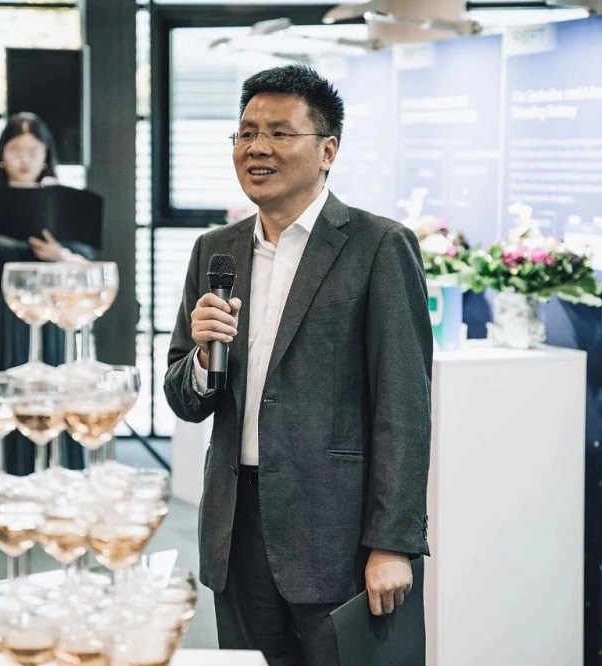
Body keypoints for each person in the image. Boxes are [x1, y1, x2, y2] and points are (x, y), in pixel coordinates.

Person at [164, 65, 433, 665]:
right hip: (235, 528)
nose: (256, 147)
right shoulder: (215, 250)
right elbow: (184, 397)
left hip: (335, 533)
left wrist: (392, 542)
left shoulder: (378, 246)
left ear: (327, 151)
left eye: (280, 133)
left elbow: (404, 408)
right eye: (246, 133)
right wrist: (204, 357)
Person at [0, 112, 89, 474]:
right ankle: (5, 476)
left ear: (46, 155)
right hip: (2, 313)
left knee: (50, 393)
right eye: (16, 151)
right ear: (2, 156)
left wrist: (59, 254)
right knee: (7, 396)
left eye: (33, 152)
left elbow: (89, 267)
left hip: (53, 314)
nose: (24, 160)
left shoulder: (64, 203)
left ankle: (54, 475)